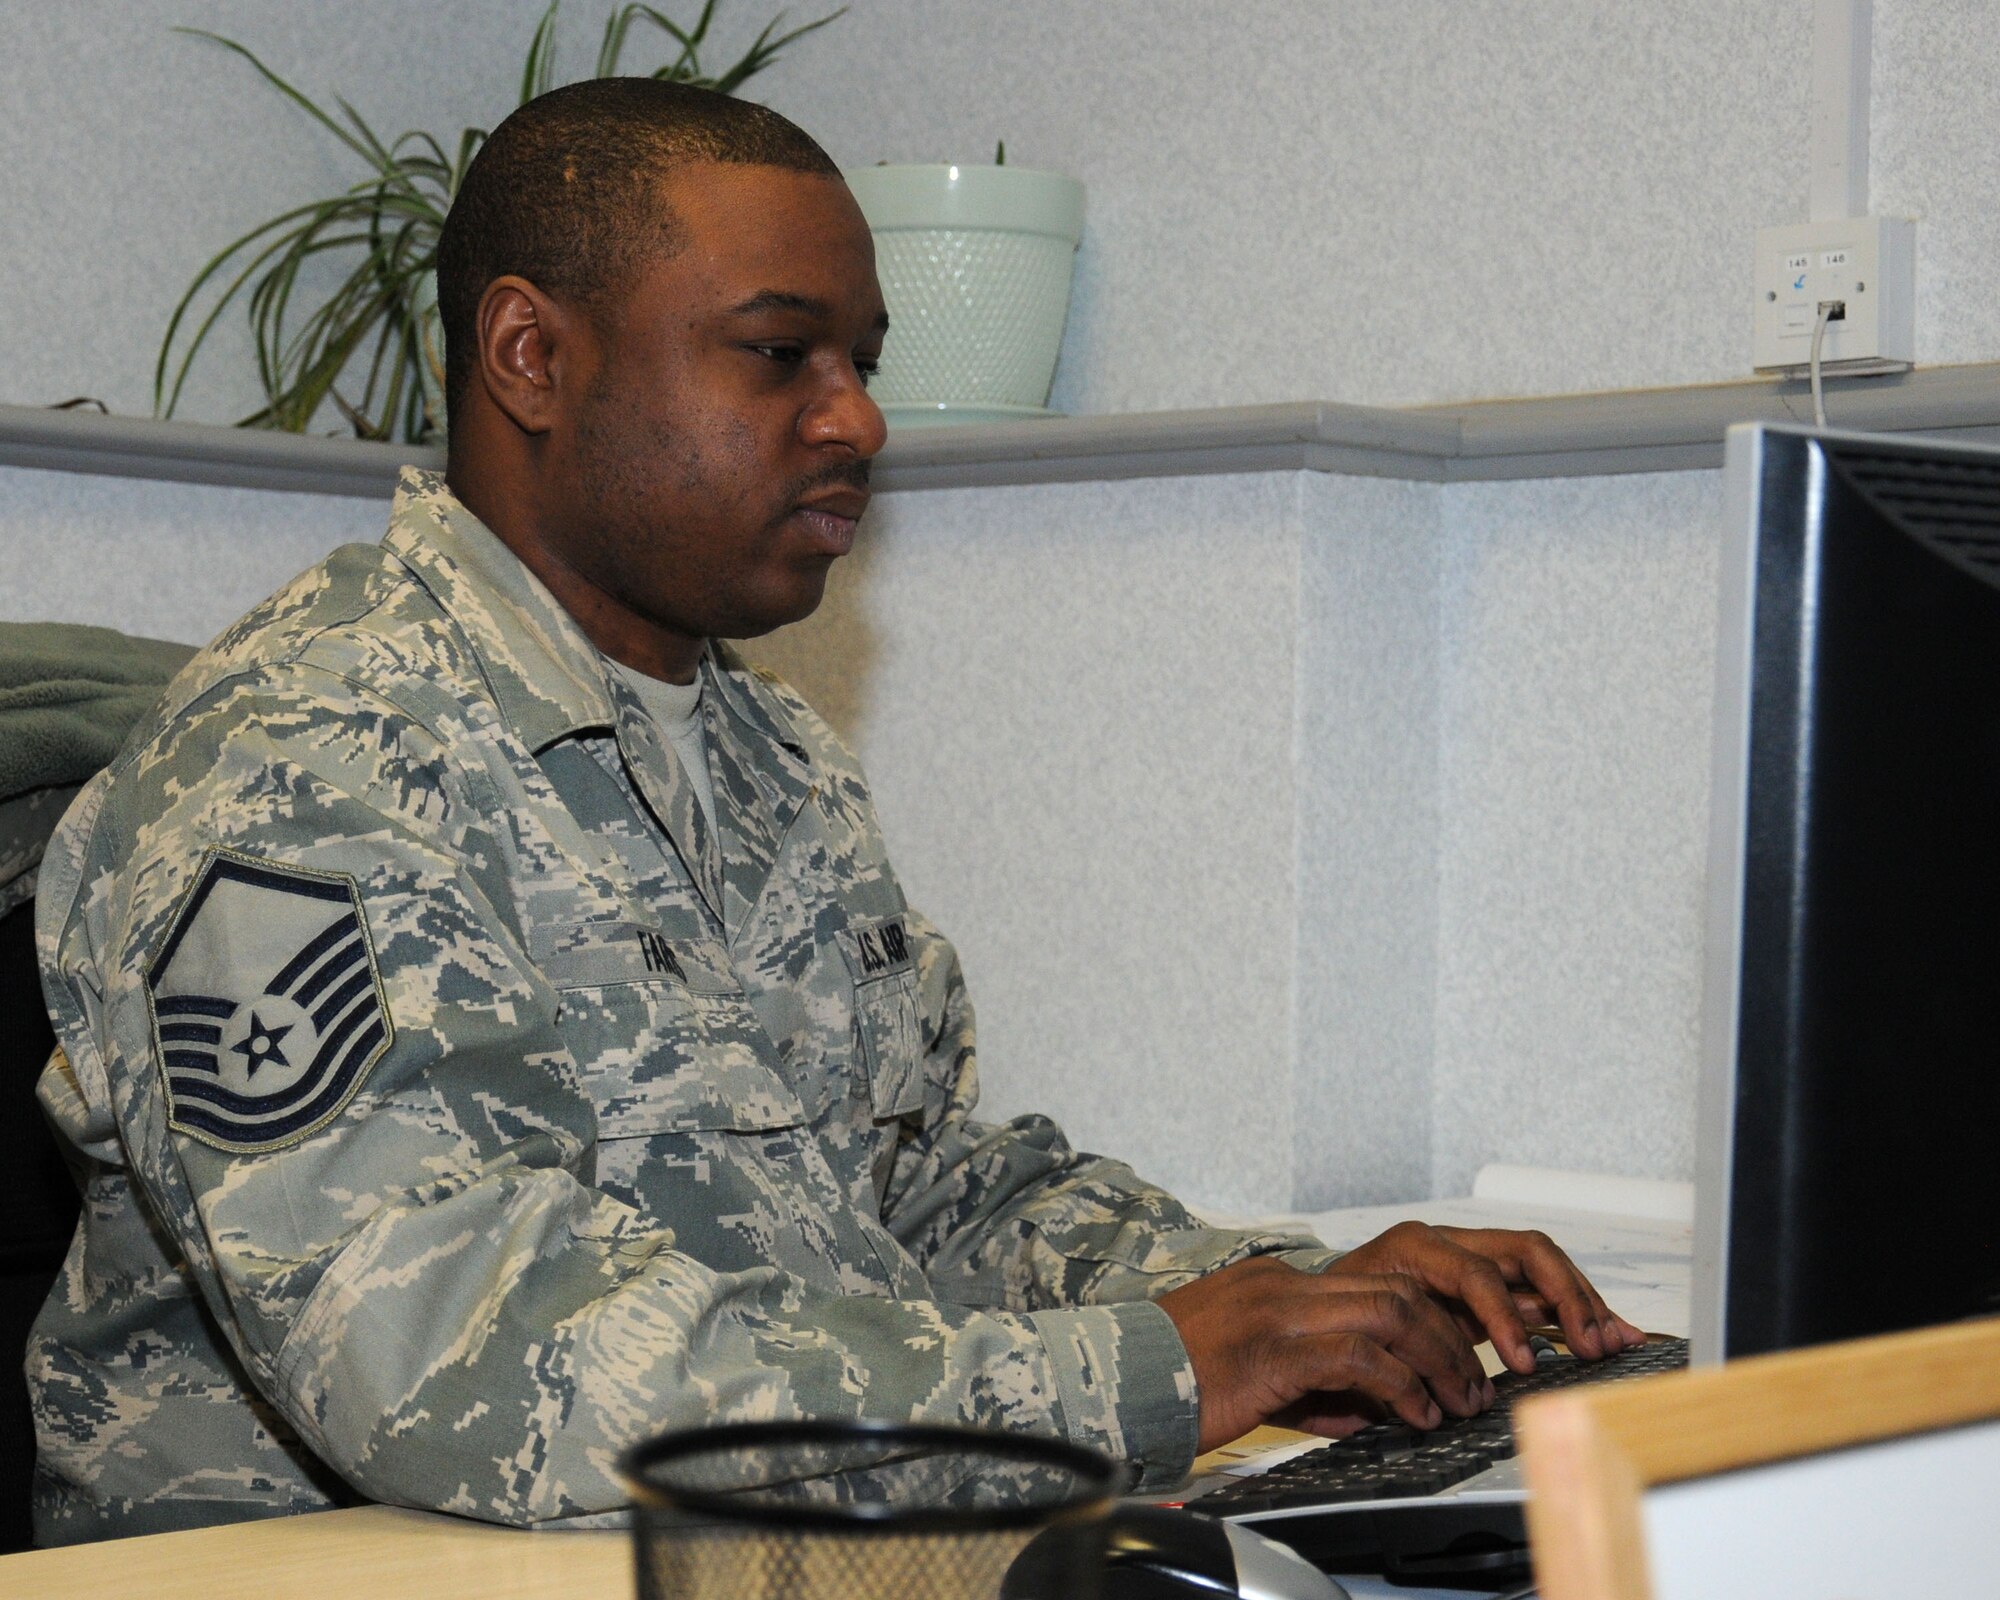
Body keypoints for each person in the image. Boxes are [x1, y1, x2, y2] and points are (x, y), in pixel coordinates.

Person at [27, 79, 1642, 1546]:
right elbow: (456, 1354)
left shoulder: (764, 750)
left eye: (863, 362)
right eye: (778, 352)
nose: (858, 418)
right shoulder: (300, 757)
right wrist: (1130, 1381)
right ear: (532, 357)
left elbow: (924, 1186)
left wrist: (1282, 1297)